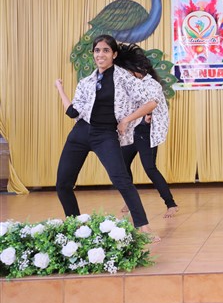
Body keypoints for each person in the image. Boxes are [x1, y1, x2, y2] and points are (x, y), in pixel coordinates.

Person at [54, 34, 161, 238]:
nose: (100, 54)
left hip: (105, 135)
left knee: (122, 180)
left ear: (114, 55)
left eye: (105, 50)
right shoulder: (86, 82)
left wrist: (127, 120)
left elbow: (152, 101)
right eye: (97, 50)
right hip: (80, 133)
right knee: (63, 184)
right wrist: (60, 89)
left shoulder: (124, 78)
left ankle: (144, 227)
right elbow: (73, 113)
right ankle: (76, 227)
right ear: (93, 54)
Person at [115, 43, 179, 218]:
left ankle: (171, 204)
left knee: (150, 168)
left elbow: (151, 104)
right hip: (131, 132)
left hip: (145, 133)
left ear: (136, 70)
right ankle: (130, 200)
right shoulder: (130, 84)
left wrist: (144, 116)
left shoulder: (152, 84)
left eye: (127, 71)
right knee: (122, 166)